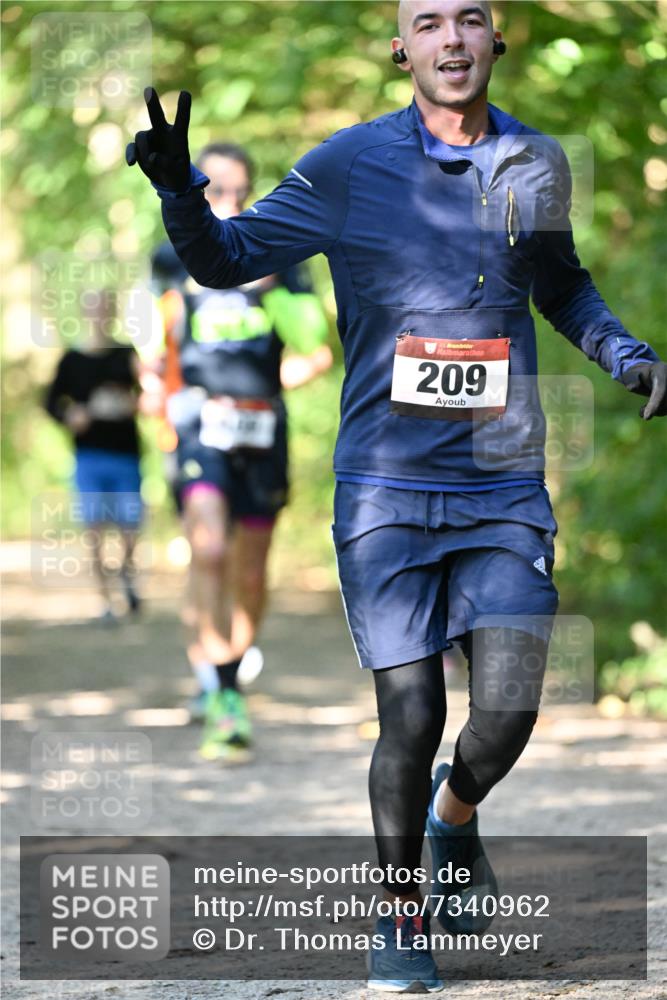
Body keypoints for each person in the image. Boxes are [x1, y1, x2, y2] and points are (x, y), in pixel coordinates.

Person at [126, 0, 667, 989]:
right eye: (428, 22)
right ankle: (399, 919)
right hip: (383, 486)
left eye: (469, 19)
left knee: (505, 708)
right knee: (409, 715)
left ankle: (453, 818)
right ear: (401, 46)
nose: (451, 39)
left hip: (501, 479)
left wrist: (622, 352)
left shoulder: (534, 163)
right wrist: (178, 190)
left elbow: (560, 285)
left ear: (495, 37)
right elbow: (226, 258)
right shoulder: (346, 166)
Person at [147, 142, 332, 762]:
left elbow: (316, 350)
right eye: (213, 191)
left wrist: (267, 384)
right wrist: (157, 391)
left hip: (262, 429)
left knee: (250, 571)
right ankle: (223, 690)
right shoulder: (172, 259)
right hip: (198, 425)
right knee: (210, 549)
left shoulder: (280, 258)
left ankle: (228, 668)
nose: (226, 202)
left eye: (236, 192)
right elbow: (152, 346)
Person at [44, 289, 143, 623]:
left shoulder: (126, 355)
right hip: (88, 455)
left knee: (131, 528)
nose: (99, 315)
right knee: (95, 530)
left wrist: (130, 404)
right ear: (85, 313)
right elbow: (51, 404)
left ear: (112, 314)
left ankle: (126, 575)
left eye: (105, 309)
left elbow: (148, 395)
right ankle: (105, 601)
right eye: (93, 309)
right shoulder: (72, 360)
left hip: (126, 453)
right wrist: (73, 417)